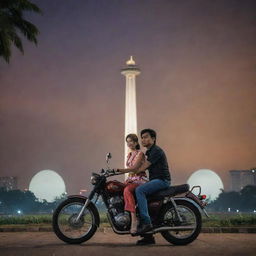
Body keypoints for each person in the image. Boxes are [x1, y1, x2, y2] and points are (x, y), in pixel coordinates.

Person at [133, 128, 171, 245]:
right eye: (142, 137)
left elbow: (143, 168)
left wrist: (130, 171)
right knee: (140, 200)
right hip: (155, 180)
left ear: (153, 139)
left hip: (162, 180)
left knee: (140, 190)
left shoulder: (156, 151)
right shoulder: (149, 152)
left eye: (146, 137)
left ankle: (147, 223)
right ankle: (148, 238)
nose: (143, 140)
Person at [114, 133, 148, 234]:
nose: (129, 144)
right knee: (117, 187)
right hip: (131, 179)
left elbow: (134, 168)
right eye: (127, 142)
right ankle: (123, 214)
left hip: (140, 179)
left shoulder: (140, 154)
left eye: (131, 141)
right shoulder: (129, 155)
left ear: (136, 142)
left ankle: (134, 220)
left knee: (127, 190)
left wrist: (118, 170)